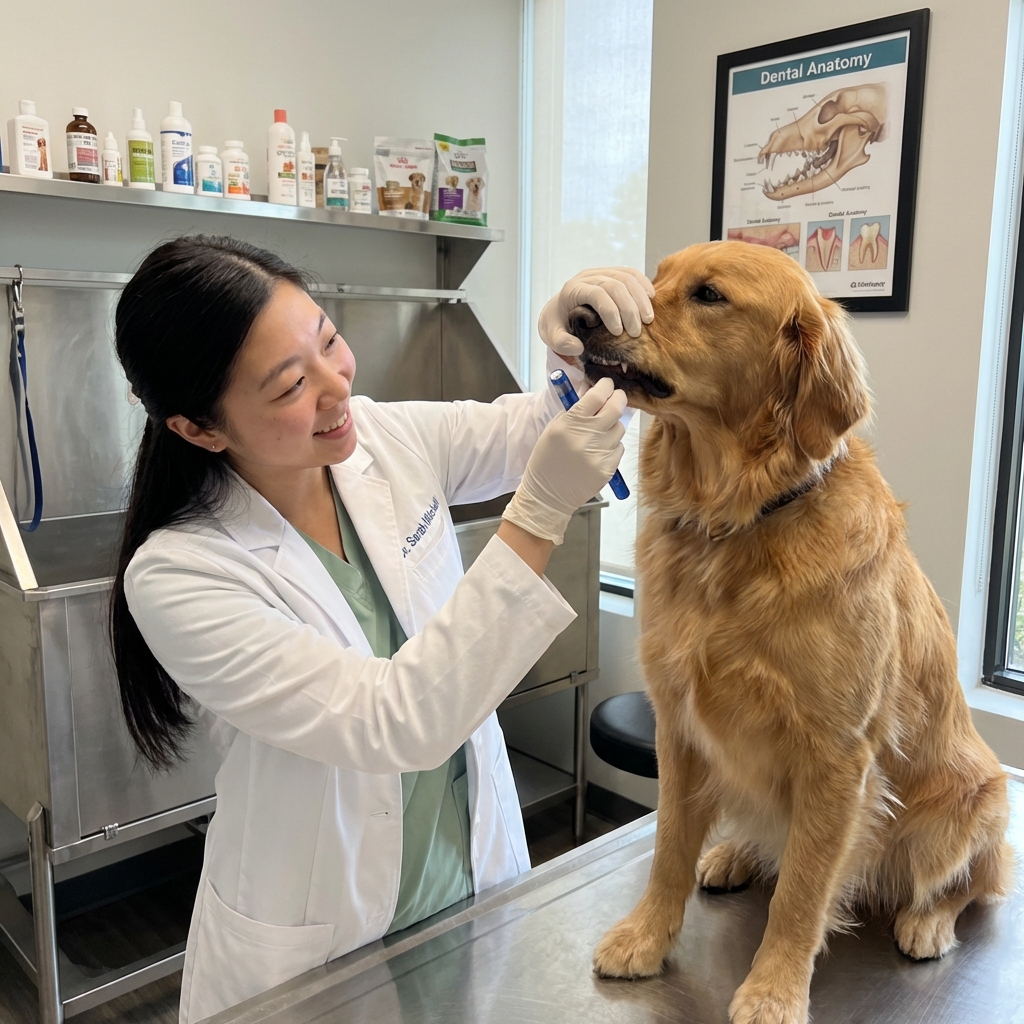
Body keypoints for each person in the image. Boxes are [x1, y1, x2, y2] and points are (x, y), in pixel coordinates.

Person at [109, 235, 654, 1023]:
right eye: (291, 384)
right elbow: (394, 721)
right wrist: (537, 515)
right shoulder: (179, 574)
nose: (337, 387)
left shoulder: (382, 439)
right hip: (323, 939)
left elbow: (535, 428)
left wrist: (581, 345)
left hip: (470, 880)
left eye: (329, 341)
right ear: (200, 428)